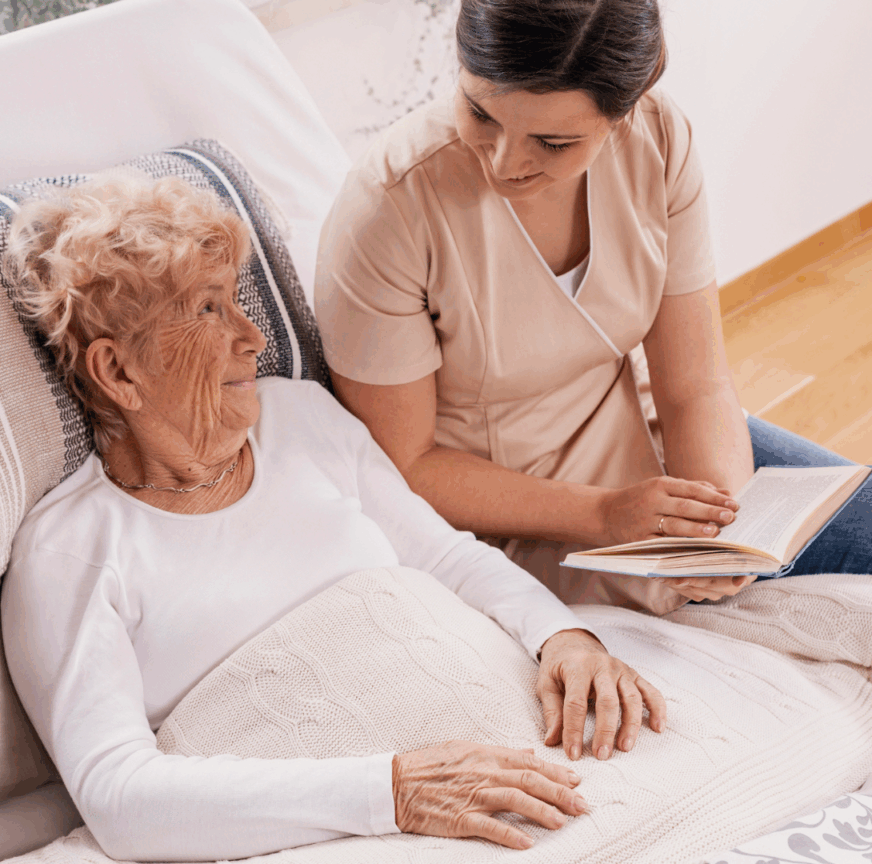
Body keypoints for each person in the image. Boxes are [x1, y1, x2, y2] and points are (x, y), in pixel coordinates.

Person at [0, 176, 666, 862]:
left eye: (237, 301)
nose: (252, 337)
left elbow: (445, 557)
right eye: (207, 309)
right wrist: (393, 791)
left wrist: (563, 636)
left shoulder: (301, 417)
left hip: (523, 750)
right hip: (363, 825)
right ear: (118, 371)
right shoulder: (69, 552)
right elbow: (121, 798)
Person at [314, 0, 872, 613]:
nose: (504, 162)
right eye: (480, 112)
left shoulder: (659, 139)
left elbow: (695, 385)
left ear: (622, 114)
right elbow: (406, 467)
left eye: (553, 142)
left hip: (639, 443)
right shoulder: (388, 210)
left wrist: (717, 530)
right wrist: (606, 515)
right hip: (496, 513)